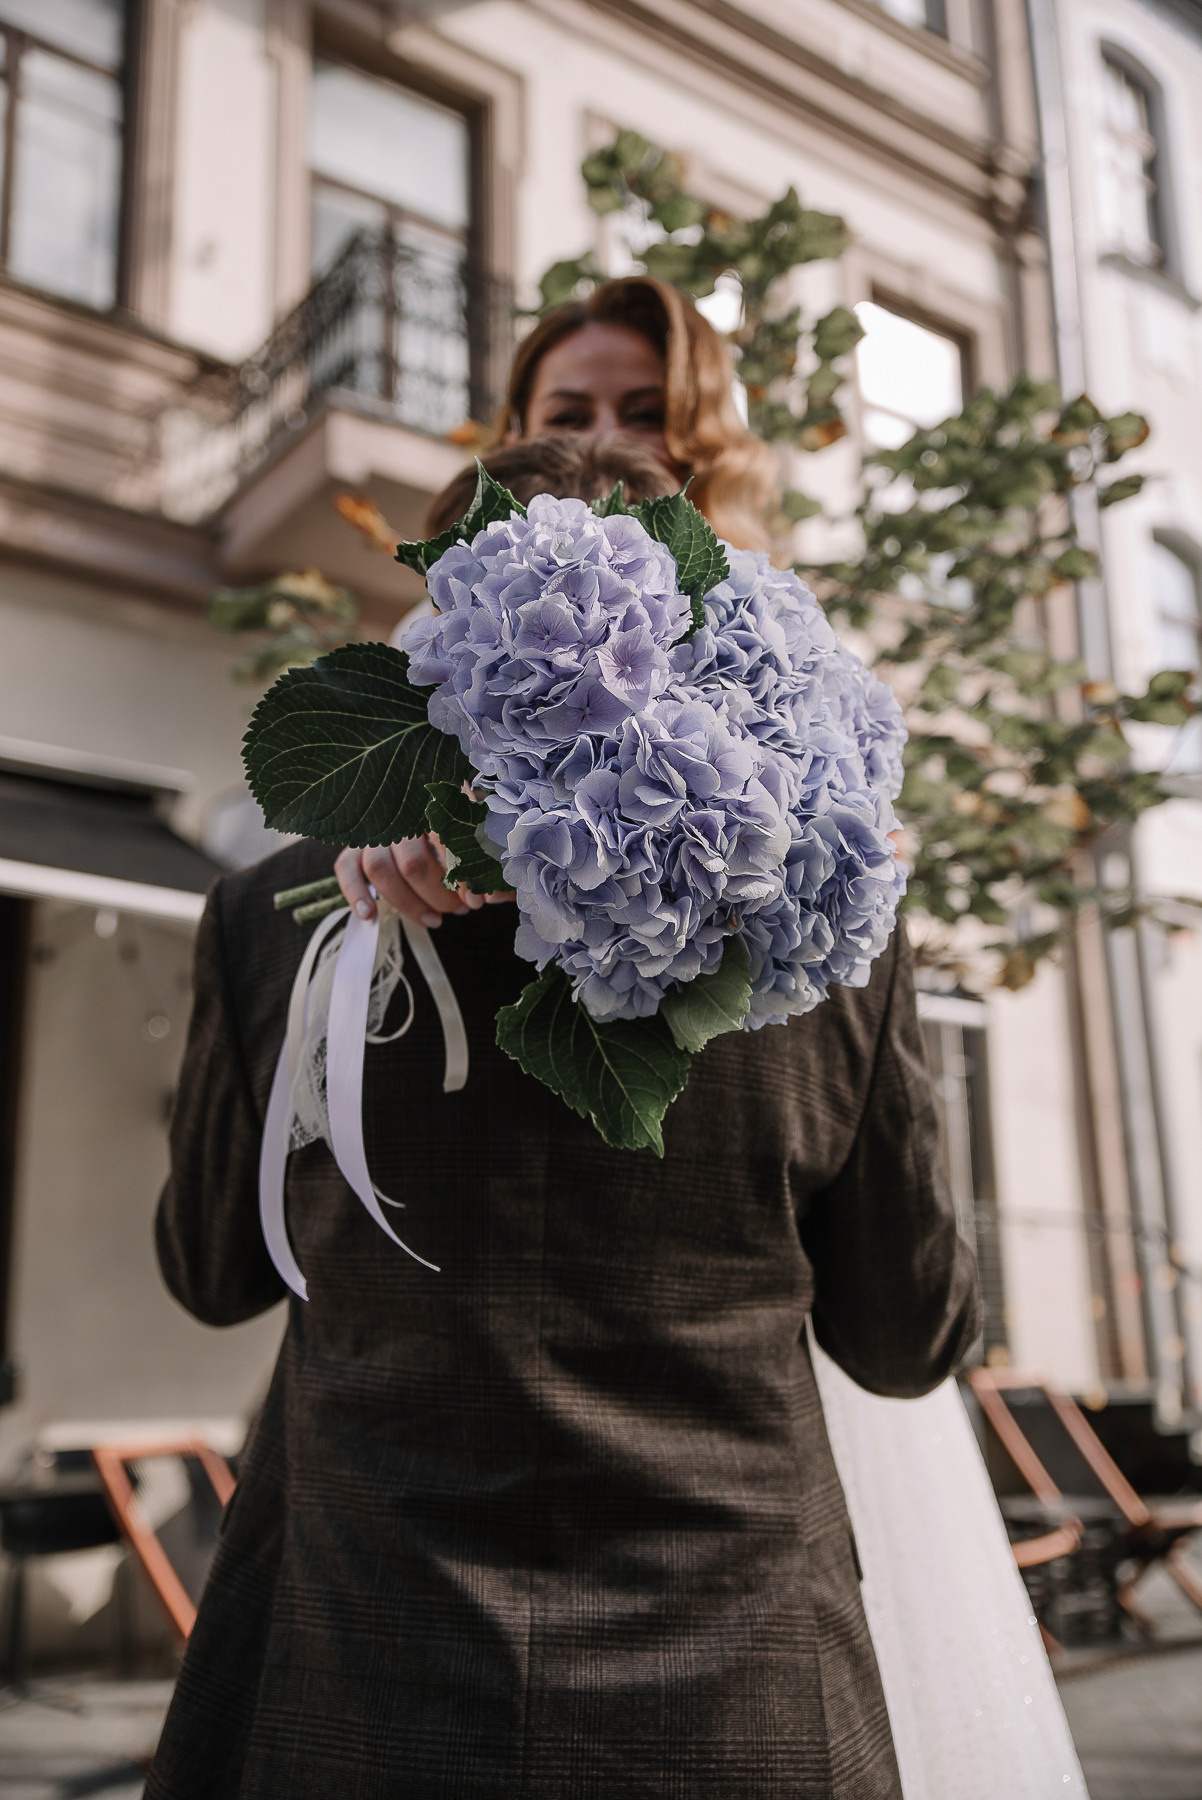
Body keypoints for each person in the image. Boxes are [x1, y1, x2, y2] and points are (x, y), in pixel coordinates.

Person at [146, 432, 979, 1799]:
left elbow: (210, 1271)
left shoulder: (267, 915)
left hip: (363, 1679)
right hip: (735, 1694)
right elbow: (905, 1337)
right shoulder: (819, 936)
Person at [333, 275, 778, 930]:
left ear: (704, 445)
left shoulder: (770, 638)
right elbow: (377, 804)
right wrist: (392, 826)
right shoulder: (439, 638)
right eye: (569, 417)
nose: (607, 439)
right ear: (520, 435)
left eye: (646, 415)